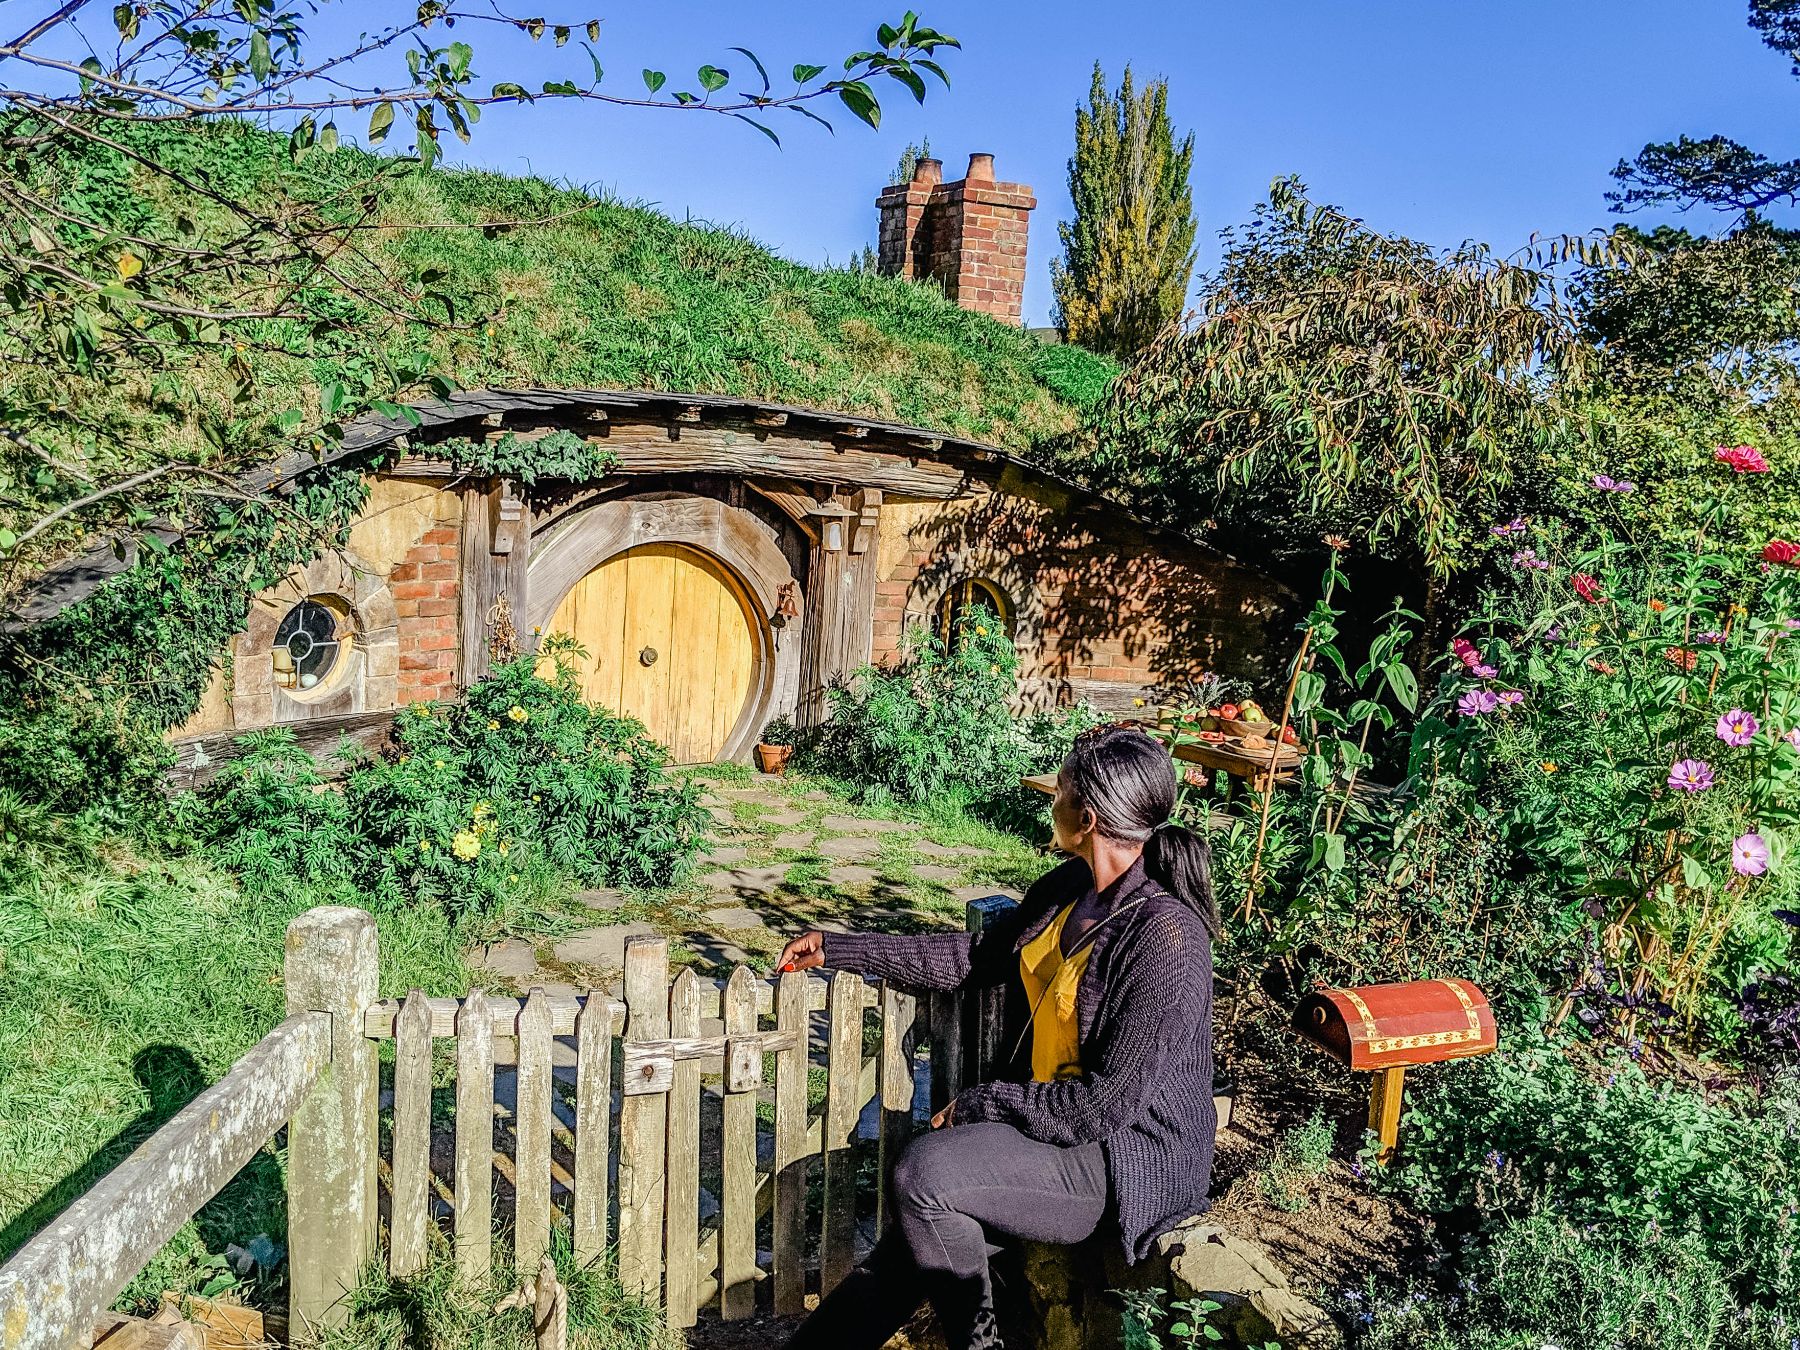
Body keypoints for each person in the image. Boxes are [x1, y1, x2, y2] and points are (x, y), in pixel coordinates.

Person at [776, 723, 1219, 1350]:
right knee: (914, 1243)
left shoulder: (1166, 938)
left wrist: (986, 1103)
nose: (1051, 802)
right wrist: (842, 949)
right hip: (1051, 1125)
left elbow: (1105, 1107)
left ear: (1086, 817)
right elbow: (976, 955)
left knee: (923, 1175)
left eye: (1058, 791)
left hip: (1118, 1157)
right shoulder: (1071, 889)